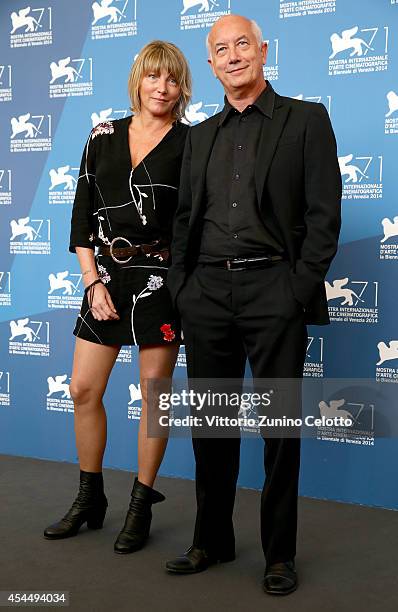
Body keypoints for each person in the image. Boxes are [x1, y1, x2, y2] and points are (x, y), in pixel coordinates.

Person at [165, 15, 341, 595]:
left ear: (263, 51)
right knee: (211, 426)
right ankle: (211, 539)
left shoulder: (307, 120)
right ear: (210, 64)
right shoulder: (198, 136)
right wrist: (184, 289)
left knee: (279, 429)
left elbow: (323, 216)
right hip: (207, 295)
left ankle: (278, 555)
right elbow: (185, 219)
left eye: (243, 44)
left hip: (275, 292)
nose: (234, 55)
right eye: (221, 49)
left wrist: (297, 289)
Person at [43, 41, 192, 554]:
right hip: (104, 276)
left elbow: (192, 223)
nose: (162, 87)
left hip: (161, 279)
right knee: (83, 389)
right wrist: (92, 281)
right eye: (154, 77)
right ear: (139, 81)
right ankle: (90, 497)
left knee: (155, 396)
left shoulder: (190, 143)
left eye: (172, 80)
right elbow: (81, 212)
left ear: (181, 88)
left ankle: (141, 503)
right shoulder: (102, 135)